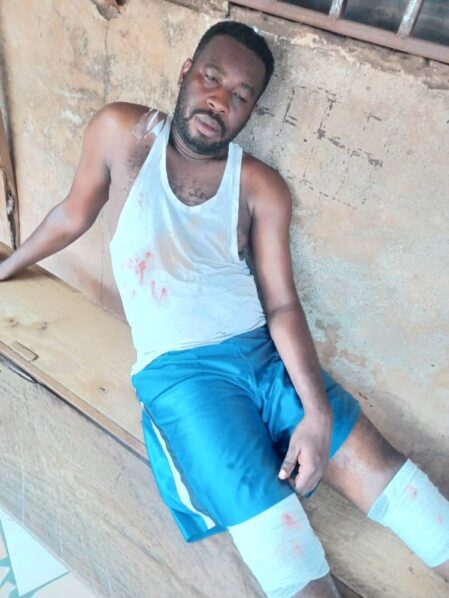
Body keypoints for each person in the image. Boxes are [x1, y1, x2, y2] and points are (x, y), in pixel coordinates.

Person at [0, 20, 448, 598]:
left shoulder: (259, 186)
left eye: (240, 95)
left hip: (263, 354)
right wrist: (9, 265)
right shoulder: (122, 132)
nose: (219, 100)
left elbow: (281, 304)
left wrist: (315, 414)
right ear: (186, 72)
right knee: (287, 554)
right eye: (212, 78)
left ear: (251, 111)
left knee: (399, 486)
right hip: (181, 374)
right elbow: (72, 212)